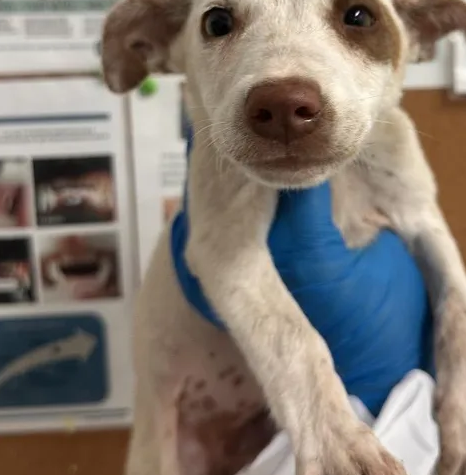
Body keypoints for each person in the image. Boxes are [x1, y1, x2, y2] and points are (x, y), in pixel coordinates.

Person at [172, 128, 434, 417]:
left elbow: (425, 226)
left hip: (389, 405)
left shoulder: (391, 151)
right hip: (201, 398)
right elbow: (222, 258)